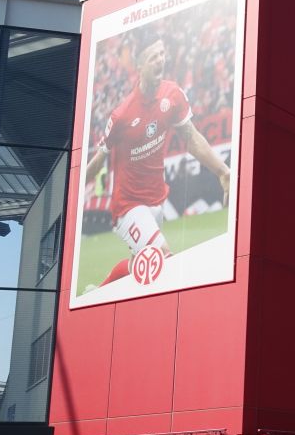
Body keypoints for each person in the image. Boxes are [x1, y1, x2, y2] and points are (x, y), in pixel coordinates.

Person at [84, 34, 232, 289]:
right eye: (153, 56)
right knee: (164, 258)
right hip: (127, 207)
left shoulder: (172, 94)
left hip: (156, 201)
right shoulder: (121, 115)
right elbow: (99, 160)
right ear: (140, 65)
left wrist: (223, 172)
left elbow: (192, 138)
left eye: (162, 54)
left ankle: (98, 292)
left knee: (140, 268)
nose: (160, 60)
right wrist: (71, 196)